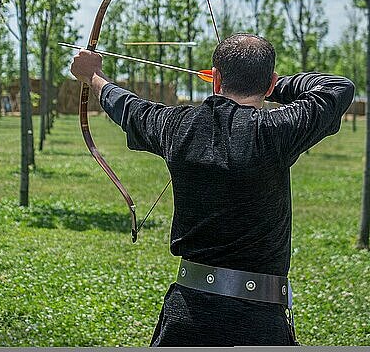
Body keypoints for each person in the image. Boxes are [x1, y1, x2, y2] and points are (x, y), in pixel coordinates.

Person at [70, 33, 354, 347]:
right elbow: (339, 88)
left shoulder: (176, 125)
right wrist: (270, 83)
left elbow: (127, 107)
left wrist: (93, 76)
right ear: (270, 83)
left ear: (215, 79)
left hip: (186, 317)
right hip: (258, 322)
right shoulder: (276, 131)